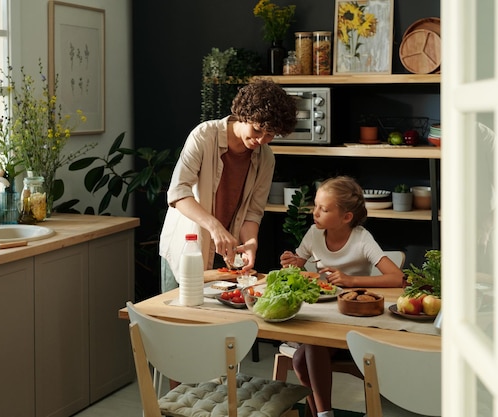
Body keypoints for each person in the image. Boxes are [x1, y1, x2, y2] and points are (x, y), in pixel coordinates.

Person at [279, 176, 404, 417]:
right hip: (323, 314)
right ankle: (325, 414)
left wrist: (350, 280)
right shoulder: (315, 233)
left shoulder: (361, 238)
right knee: (299, 360)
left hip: (354, 319)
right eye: (315, 205)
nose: (315, 213)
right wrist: (293, 264)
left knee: (309, 347)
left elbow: (397, 278)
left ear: (346, 217)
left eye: (323, 209)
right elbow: (299, 270)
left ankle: (323, 414)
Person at [159, 79, 297, 293]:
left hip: (225, 256)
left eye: (270, 135)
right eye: (258, 129)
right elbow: (178, 193)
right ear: (245, 114)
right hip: (187, 249)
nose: (261, 140)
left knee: (217, 321)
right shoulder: (204, 135)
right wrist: (215, 227)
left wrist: (251, 243)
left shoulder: (266, 158)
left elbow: (253, 212)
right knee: (175, 318)